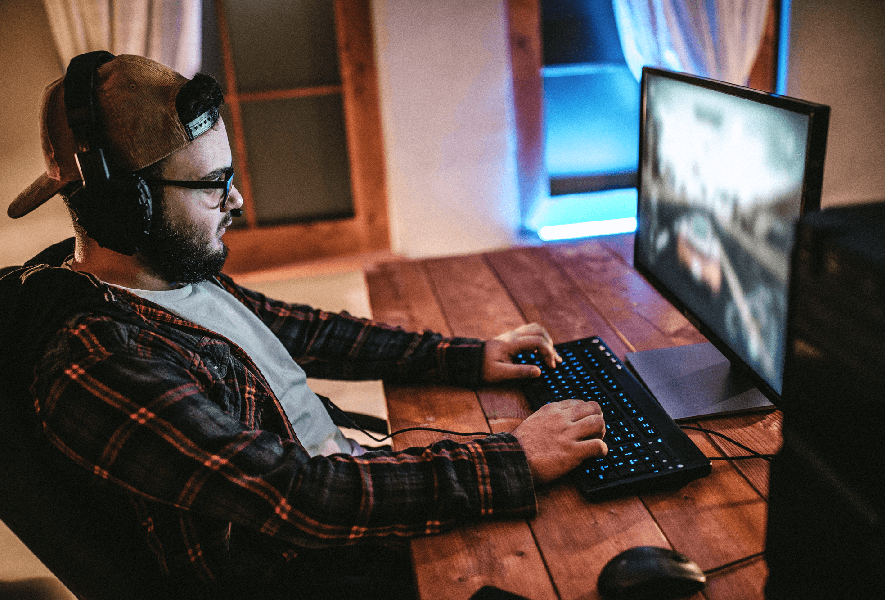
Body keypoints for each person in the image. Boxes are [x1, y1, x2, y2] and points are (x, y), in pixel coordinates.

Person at [0, 52, 607, 600]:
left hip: (346, 496)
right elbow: (297, 495)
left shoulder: (168, 272)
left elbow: (296, 330)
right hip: (310, 567)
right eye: (213, 186)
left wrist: (465, 356)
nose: (235, 201)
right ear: (126, 207)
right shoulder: (95, 360)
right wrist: (512, 461)